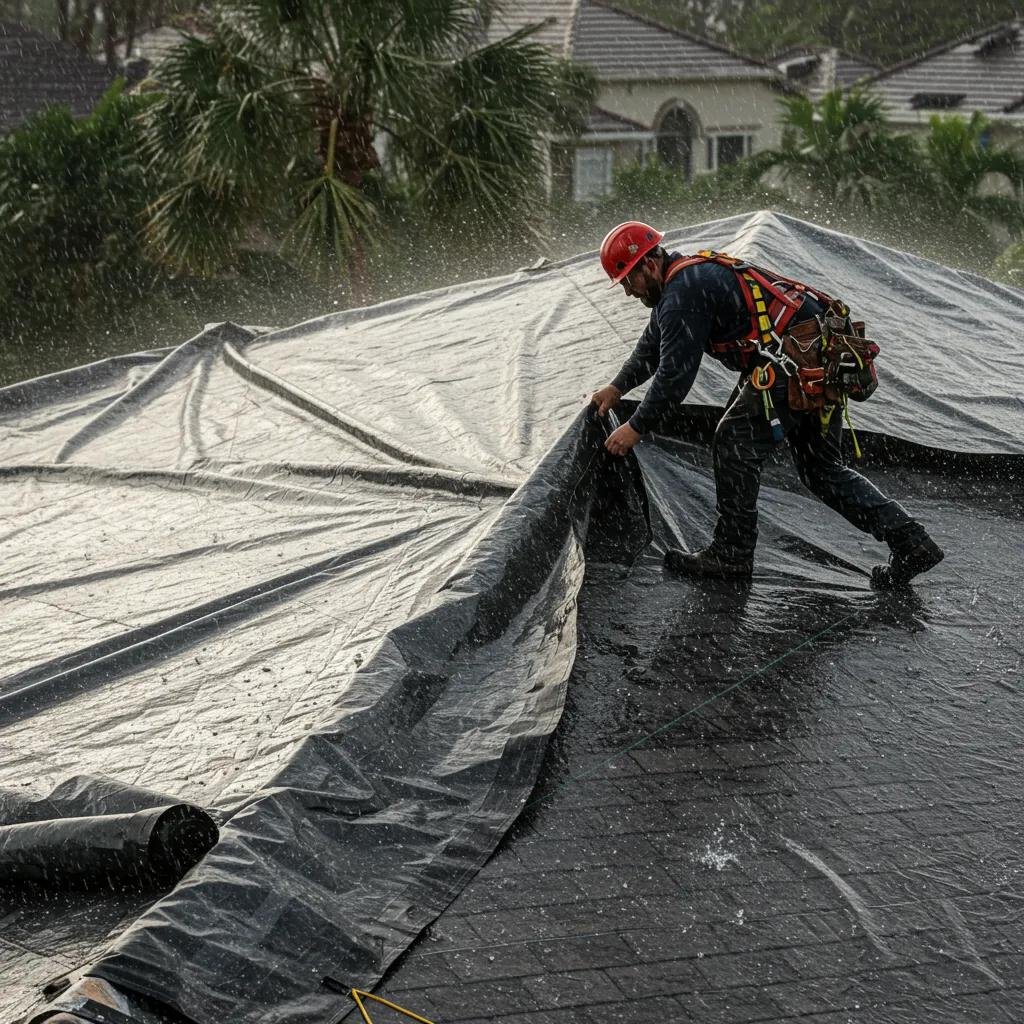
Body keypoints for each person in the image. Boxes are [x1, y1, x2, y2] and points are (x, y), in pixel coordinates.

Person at [590, 221, 944, 588]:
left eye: (629, 281)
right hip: (819, 360)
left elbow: (674, 376)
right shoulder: (686, 280)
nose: (629, 293)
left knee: (734, 442)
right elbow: (652, 345)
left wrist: (636, 426)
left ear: (649, 264)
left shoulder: (683, 293)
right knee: (821, 469)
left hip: (793, 365)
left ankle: (731, 555)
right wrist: (616, 388)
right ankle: (911, 541)